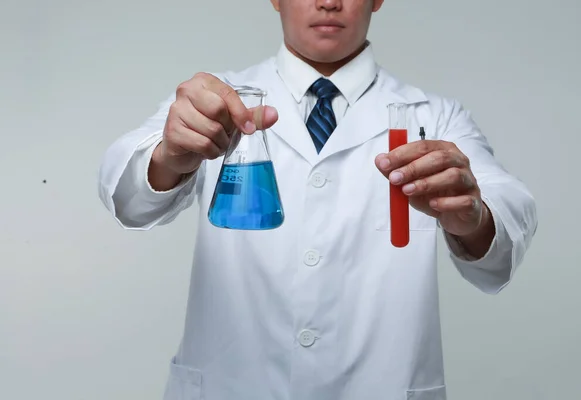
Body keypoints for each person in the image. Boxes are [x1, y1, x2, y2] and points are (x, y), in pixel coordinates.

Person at [98, 0, 537, 399]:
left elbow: (508, 215)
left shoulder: (435, 116)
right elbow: (127, 195)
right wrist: (171, 155)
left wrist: (473, 216)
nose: (329, 2)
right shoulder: (216, 100)